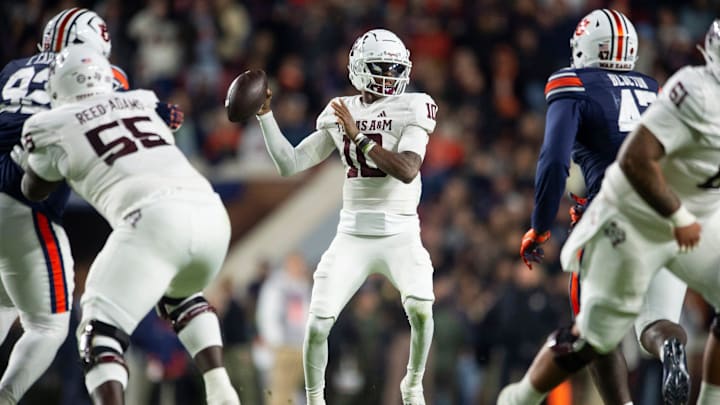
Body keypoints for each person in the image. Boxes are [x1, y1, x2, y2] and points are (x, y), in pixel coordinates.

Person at [500, 19, 720, 405]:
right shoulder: (653, 87)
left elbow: (554, 162)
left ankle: (531, 399)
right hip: (675, 214)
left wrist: (539, 226)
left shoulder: (573, 82)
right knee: (657, 323)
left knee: (593, 334)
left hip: (615, 215)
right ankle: (671, 346)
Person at [13, 45, 239, 405]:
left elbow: (33, 189)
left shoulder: (49, 124)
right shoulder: (142, 101)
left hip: (152, 218)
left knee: (98, 332)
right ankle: (218, 383)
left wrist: (27, 159)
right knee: (179, 294)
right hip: (211, 212)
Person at [256, 29, 437, 405]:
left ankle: (412, 384)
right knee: (317, 325)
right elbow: (290, 164)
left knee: (421, 309)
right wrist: (265, 116)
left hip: (400, 232)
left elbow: (407, 169)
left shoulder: (413, 107)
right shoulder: (341, 110)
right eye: (380, 67)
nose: (389, 76)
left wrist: (359, 138)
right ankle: (315, 399)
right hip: (353, 234)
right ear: (358, 68)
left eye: (394, 68)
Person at [256, 252, 311, 405]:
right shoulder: (276, 285)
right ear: (289, 265)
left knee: (294, 392)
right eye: (297, 264)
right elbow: (267, 313)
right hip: (282, 347)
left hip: (299, 346)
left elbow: (305, 316)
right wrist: (274, 341)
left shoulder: (303, 286)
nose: (301, 268)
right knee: (279, 392)